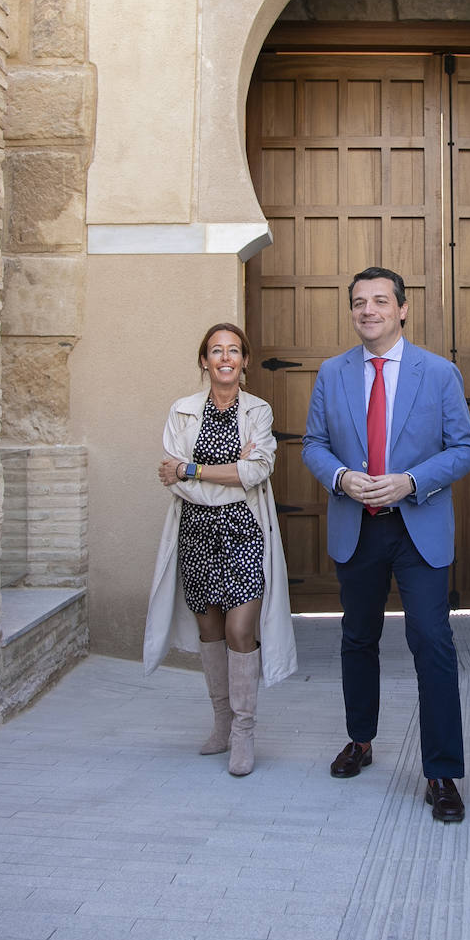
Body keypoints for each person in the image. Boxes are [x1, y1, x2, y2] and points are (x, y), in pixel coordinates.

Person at [302, 267, 470, 823]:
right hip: (357, 528)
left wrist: (412, 481)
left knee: (433, 643)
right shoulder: (332, 374)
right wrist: (339, 478)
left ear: (402, 310)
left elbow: (464, 448)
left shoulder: (440, 372)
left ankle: (442, 772)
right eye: (359, 302)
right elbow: (314, 444)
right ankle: (360, 739)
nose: (369, 310)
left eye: (380, 301)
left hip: (417, 527)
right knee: (357, 638)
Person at [144, 322, 297, 776]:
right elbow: (176, 481)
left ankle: (245, 732)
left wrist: (192, 469)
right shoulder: (182, 410)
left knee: (240, 631)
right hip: (196, 533)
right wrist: (223, 471)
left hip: (244, 531)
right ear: (204, 361)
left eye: (234, 351)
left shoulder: (259, 411)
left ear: (245, 360)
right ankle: (221, 723)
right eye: (216, 351)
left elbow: (256, 472)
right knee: (209, 629)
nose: (225, 358)